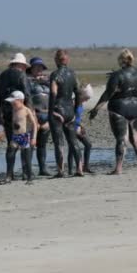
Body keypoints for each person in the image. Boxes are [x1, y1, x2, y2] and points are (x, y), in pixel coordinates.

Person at [89, 49, 137, 175]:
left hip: (119, 107)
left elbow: (107, 94)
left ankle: (119, 168)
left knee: (122, 138)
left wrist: (96, 109)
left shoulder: (116, 75)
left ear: (120, 60)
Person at [0, 53, 33, 181]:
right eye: (24, 66)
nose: (24, 69)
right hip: (20, 114)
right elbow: (27, 95)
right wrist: (31, 113)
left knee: (11, 143)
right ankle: (25, 173)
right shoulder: (22, 75)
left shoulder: (2, 75)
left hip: (6, 112)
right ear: (21, 65)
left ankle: (9, 174)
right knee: (24, 143)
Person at [49, 49, 83, 177]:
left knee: (59, 142)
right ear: (67, 60)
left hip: (58, 109)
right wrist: (76, 111)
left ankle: (60, 170)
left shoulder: (55, 74)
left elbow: (53, 92)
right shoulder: (73, 74)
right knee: (73, 141)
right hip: (70, 111)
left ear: (56, 60)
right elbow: (78, 92)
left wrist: (52, 110)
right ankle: (79, 169)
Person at [0, 91, 37, 184]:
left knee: (26, 157)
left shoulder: (26, 110)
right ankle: (8, 177)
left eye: (14, 101)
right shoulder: (14, 110)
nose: (12, 103)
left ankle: (29, 178)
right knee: (10, 154)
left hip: (24, 136)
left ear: (21, 100)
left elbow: (34, 124)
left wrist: (33, 138)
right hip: (15, 136)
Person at [27, 56, 52, 176]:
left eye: (41, 67)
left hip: (46, 116)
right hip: (33, 116)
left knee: (42, 145)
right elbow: (26, 100)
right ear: (31, 69)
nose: (39, 69)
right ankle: (29, 170)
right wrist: (33, 118)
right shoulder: (27, 81)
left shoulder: (48, 81)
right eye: (36, 67)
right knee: (31, 144)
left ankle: (43, 168)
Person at [69, 82, 94, 174]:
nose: (87, 100)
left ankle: (85, 167)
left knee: (88, 145)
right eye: (87, 98)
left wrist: (81, 126)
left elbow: (78, 116)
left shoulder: (81, 103)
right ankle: (70, 169)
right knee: (73, 148)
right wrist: (78, 126)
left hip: (78, 126)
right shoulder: (73, 102)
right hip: (72, 127)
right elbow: (71, 117)